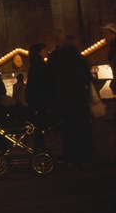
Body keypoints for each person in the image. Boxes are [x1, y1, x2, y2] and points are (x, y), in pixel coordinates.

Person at [47, 35, 93, 166]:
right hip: (79, 99)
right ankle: (85, 157)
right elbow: (87, 79)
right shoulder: (80, 59)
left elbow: (51, 80)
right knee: (82, 129)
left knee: (68, 130)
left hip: (63, 99)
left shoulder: (56, 59)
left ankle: (71, 157)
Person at [25, 43, 53, 151]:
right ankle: (40, 150)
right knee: (40, 128)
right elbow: (40, 86)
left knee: (39, 129)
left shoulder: (34, 66)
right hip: (40, 103)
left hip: (36, 103)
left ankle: (39, 149)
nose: (46, 51)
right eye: (44, 49)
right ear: (39, 52)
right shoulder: (40, 67)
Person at [100, 23, 116, 95]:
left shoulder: (114, 48)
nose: (104, 36)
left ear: (113, 34)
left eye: (106, 34)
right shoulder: (112, 47)